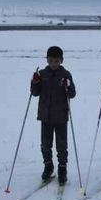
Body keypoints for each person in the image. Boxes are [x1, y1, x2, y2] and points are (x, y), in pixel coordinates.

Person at [30, 46, 76, 184]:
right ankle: (48, 166)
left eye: (56, 61)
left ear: (61, 60)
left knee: (61, 146)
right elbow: (35, 93)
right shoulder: (43, 73)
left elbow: (72, 94)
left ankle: (62, 169)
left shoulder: (66, 74)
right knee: (45, 145)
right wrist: (35, 82)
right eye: (51, 60)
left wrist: (68, 87)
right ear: (47, 60)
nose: (53, 64)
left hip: (61, 116)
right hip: (45, 116)